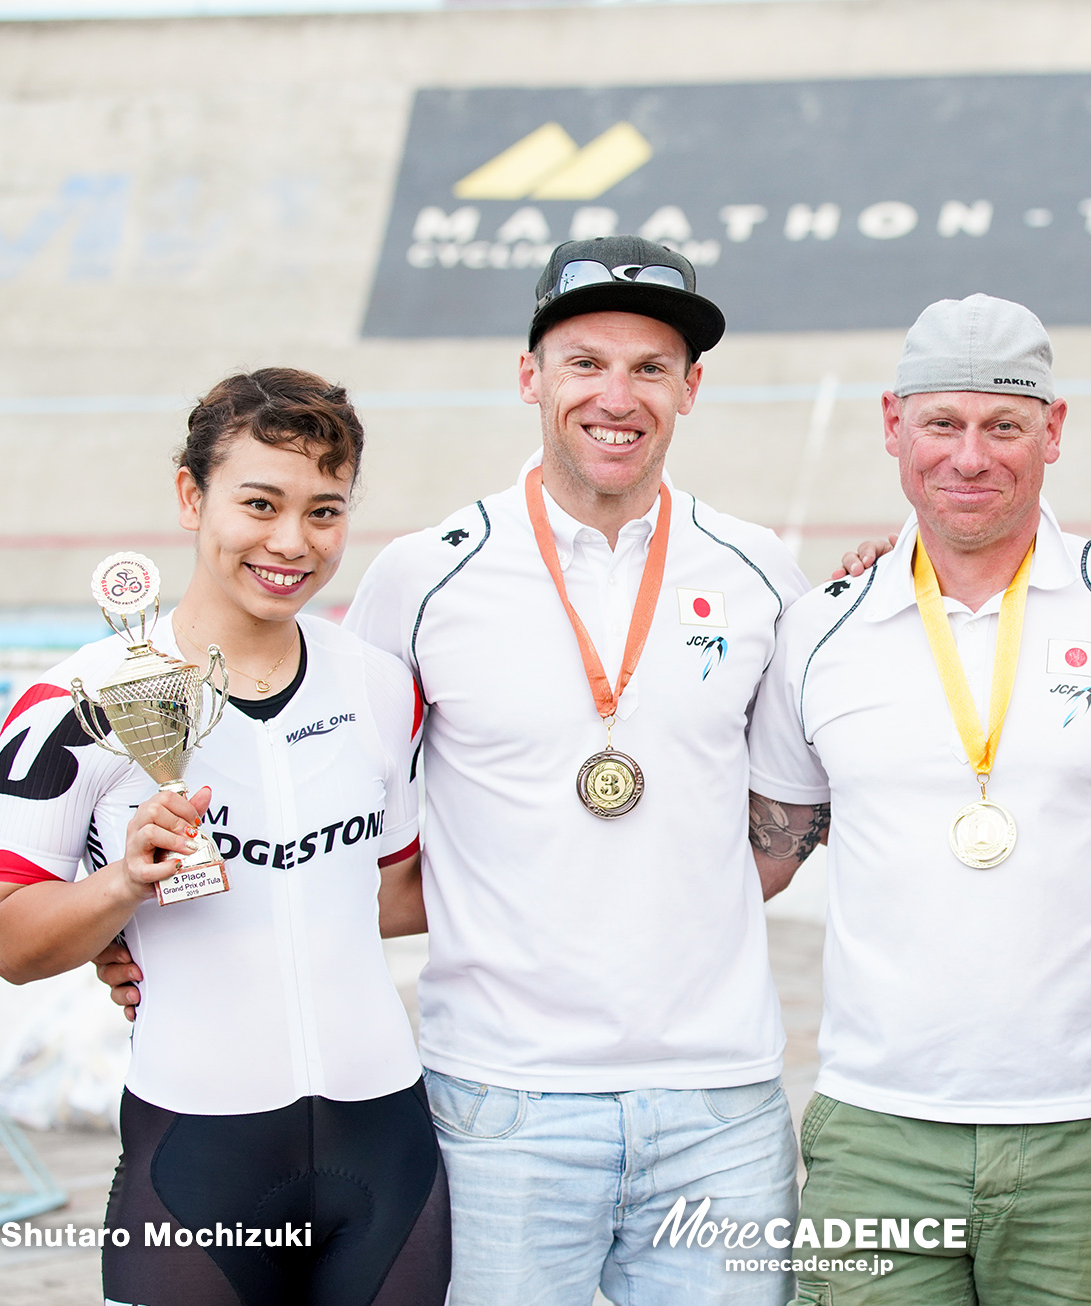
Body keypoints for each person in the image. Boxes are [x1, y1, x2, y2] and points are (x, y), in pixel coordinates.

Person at [336, 236, 809, 1304]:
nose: (617, 395)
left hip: (719, 1106)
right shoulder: (423, 573)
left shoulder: (758, 570)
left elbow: (785, 816)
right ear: (530, 377)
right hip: (501, 1101)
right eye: (585, 361)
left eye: (650, 368)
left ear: (691, 388)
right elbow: (345, 825)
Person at [745, 294, 1091, 1305]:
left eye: (1003, 425)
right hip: (876, 1127)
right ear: (891, 425)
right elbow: (763, 856)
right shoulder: (818, 627)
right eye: (941, 423)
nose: (969, 456)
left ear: (1054, 432)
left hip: (1085, 1125)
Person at [0, 369, 449, 1306]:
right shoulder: (76, 702)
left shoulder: (379, 685)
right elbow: (10, 942)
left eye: (325, 511)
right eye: (260, 504)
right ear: (193, 496)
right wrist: (119, 892)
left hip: (388, 1155)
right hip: (197, 1164)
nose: (291, 542)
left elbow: (402, 895)